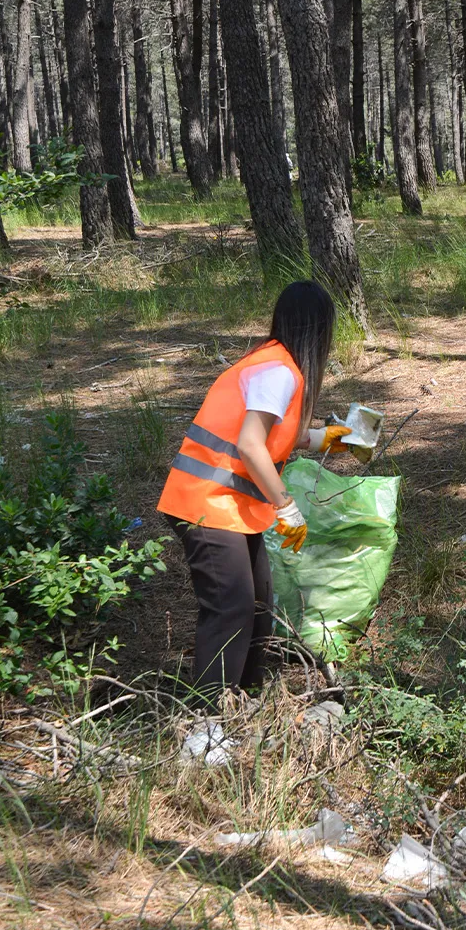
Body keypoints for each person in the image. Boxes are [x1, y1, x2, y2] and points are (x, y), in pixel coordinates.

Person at [158, 280, 353, 705]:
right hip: (205, 504)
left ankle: (244, 702)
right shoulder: (279, 371)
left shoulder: (276, 366)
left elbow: (272, 436)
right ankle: (208, 722)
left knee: (259, 606)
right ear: (318, 330)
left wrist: (328, 439)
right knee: (230, 608)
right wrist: (287, 506)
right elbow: (249, 445)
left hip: (230, 506)